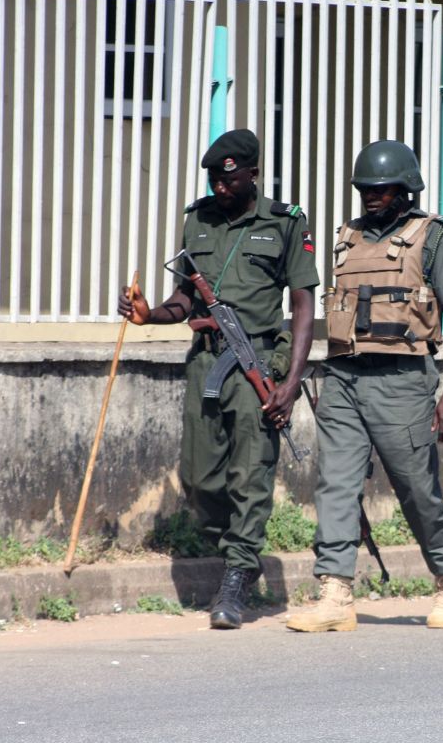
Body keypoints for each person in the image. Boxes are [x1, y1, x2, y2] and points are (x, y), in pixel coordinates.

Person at [117, 128, 319, 629]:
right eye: (214, 181)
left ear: (253, 174)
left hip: (258, 362)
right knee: (199, 478)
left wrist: (292, 381)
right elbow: (185, 297)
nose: (220, 188)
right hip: (207, 361)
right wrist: (150, 314)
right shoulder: (198, 220)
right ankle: (235, 549)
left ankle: (239, 570)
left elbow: (302, 306)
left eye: (229, 180)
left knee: (250, 474)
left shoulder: (285, 223)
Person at [286, 139, 443, 632]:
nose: (371, 196)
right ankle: (335, 593)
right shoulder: (346, 236)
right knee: (336, 484)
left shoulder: (435, 236)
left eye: (382, 189)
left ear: (405, 189)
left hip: (402, 380)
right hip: (343, 377)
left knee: (417, 490)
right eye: (365, 188)